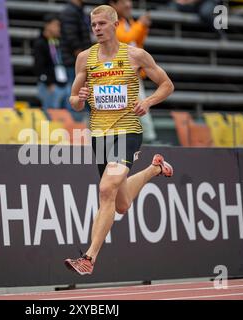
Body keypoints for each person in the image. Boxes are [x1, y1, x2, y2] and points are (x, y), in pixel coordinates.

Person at [64, 5, 175, 275]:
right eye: (94, 25)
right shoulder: (84, 59)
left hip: (127, 131)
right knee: (121, 203)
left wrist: (147, 101)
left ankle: (88, 258)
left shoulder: (136, 55)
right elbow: (74, 101)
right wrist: (80, 99)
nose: (97, 29)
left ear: (115, 24)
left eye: (102, 24)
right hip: (99, 135)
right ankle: (155, 168)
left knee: (106, 190)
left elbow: (167, 85)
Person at [108, 0, 157, 143]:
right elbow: (124, 38)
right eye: (124, 1)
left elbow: (137, 42)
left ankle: (147, 141)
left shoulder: (127, 20)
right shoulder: (109, 21)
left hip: (132, 73)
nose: (129, 4)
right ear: (113, 4)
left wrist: (143, 28)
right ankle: (147, 141)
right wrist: (140, 24)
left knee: (139, 110)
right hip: (117, 75)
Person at [59, 0, 92, 120]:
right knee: (75, 95)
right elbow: (71, 37)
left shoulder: (79, 10)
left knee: (83, 95)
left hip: (79, 61)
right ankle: (74, 128)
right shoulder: (70, 12)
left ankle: (82, 128)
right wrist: (83, 58)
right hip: (74, 62)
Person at [33, 14, 69, 110]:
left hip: (62, 83)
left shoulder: (57, 42)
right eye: (56, 25)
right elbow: (38, 66)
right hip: (50, 85)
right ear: (47, 25)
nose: (58, 28)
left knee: (66, 116)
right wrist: (48, 83)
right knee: (50, 115)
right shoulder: (40, 43)